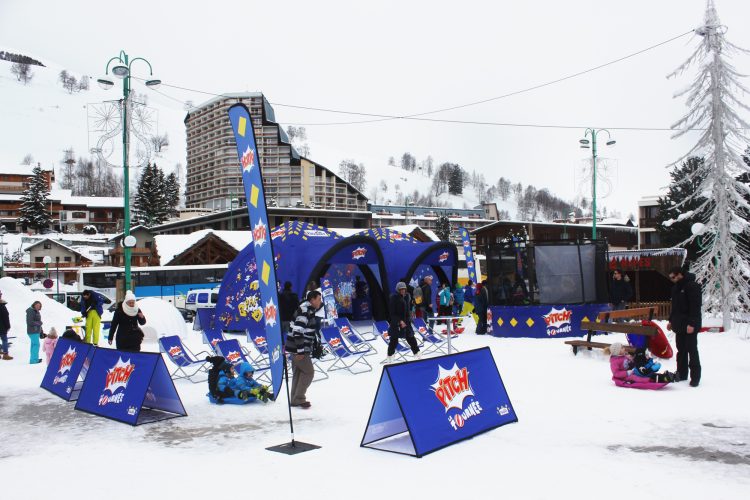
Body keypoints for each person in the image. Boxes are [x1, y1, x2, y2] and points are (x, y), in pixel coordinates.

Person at [284, 290, 324, 409]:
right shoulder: (304, 311)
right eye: (319, 299)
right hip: (299, 349)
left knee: (298, 373)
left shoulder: (308, 310)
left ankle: (294, 399)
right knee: (308, 372)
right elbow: (297, 332)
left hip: (296, 348)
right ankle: (299, 398)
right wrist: (301, 351)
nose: (320, 302)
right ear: (312, 300)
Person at [667, 266, 702, 387]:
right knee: (681, 350)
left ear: (680, 275)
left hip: (690, 324)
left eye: (673, 277)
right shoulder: (675, 288)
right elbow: (674, 307)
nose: (672, 279)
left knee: (692, 350)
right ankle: (682, 373)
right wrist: (671, 321)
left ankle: (695, 377)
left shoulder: (692, 286)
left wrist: (692, 323)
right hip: (679, 324)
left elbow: (695, 307)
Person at [606, 342, 678, 389]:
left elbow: (632, 363)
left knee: (645, 372)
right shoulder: (614, 362)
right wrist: (627, 372)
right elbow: (616, 373)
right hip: (626, 376)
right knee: (641, 378)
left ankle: (667, 376)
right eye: (622, 348)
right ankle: (656, 379)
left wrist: (634, 360)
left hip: (634, 370)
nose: (624, 348)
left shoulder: (624, 356)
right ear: (617, 351)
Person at [384, 282, 421, 363]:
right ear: (398, 290)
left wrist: (410, 318)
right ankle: (390, 355)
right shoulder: (394, 298)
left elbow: (408, 310)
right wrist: (399, 321)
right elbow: (392, 313)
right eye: (401, 289)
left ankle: (417, 352)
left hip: (406, 321)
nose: (403, 290)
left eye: (404, 289)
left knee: (411, 337)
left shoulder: (407, 297)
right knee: (394, 340)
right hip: (396, 322)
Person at [0, 291, 12, 360]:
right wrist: (8, 326)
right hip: (2, 327)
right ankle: (5, 355)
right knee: (4, 340)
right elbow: (6, 317)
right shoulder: (2, 306)